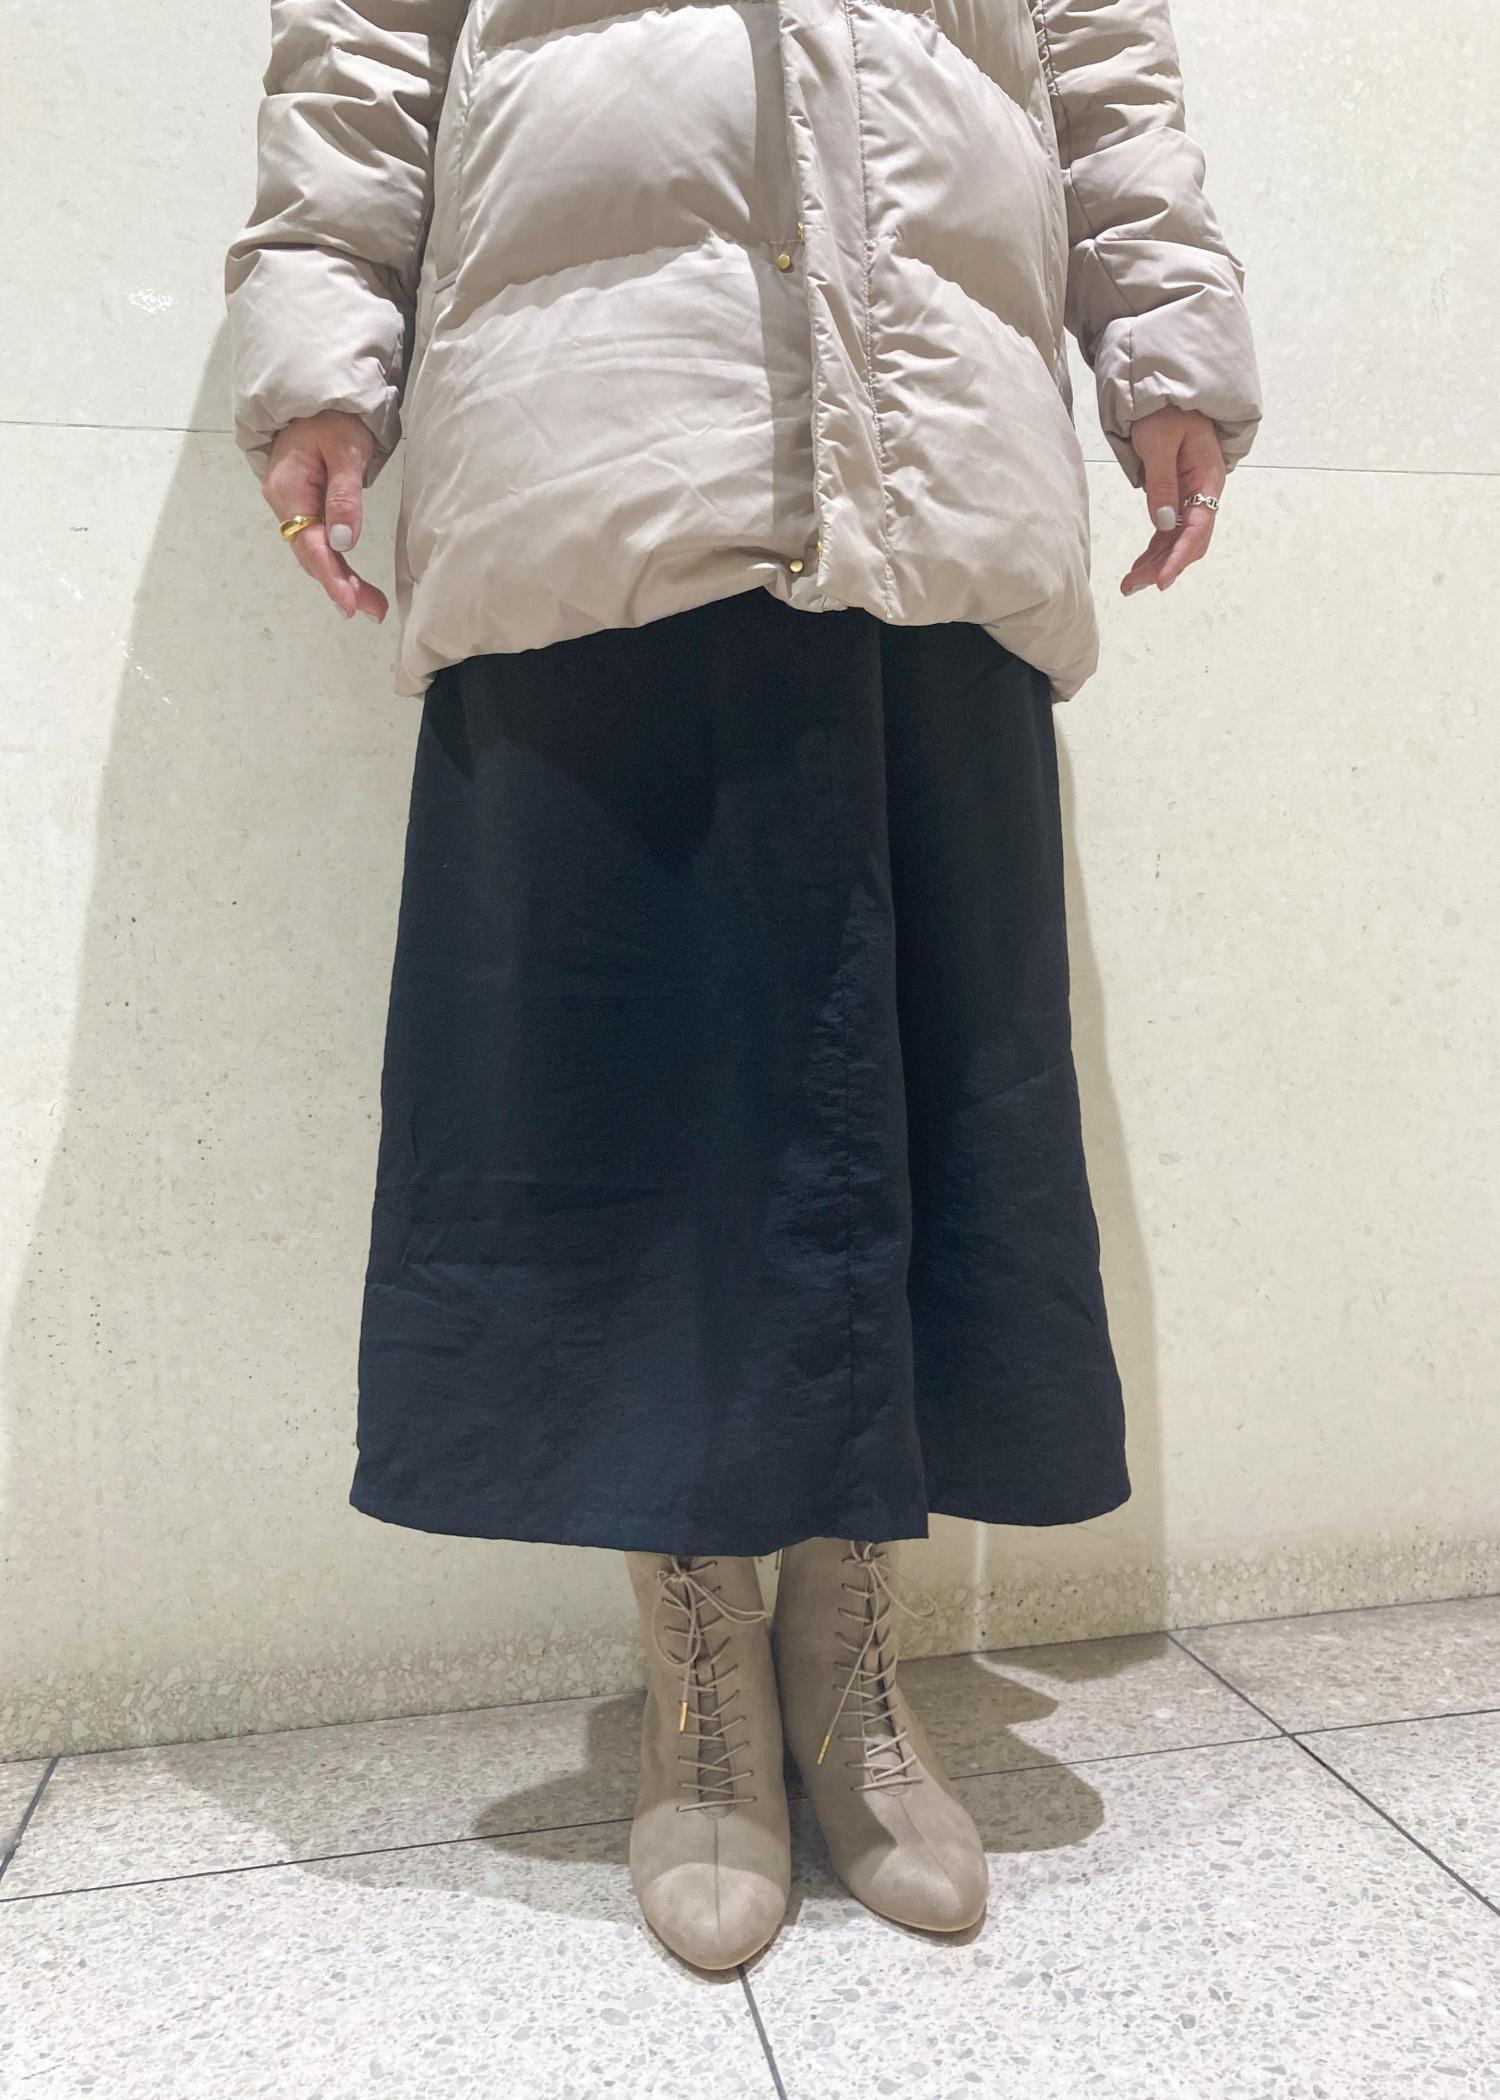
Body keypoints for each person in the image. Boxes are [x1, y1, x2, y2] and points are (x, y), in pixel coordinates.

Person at [224, 0, 1262, 1970]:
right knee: (639, 1119)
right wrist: (319, 349)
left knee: (917, 1092)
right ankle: (699, 1667)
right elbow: (362, 41)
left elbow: (1101, 52)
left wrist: (1167, 335)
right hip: (596, 440)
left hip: (934, 447)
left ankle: (850, 1654)